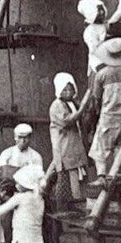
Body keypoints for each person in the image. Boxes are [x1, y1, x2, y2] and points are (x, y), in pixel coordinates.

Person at [82, 35, 121, 183]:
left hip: (109, 116)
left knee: (99, 148)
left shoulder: (102, 75)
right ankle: (114, 173)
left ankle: (101, 176)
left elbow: (96, 98)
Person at [49, 74, 89, 202]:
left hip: (75, 147)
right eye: (64, 90)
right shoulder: (57, 105)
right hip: (65, 147)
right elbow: (66, 121)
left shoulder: (73, 103)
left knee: (80, 176)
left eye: (70, 89)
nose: (68, 92)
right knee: (71, 178)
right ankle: (75, 202)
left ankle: (82, 200)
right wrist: (81, 109)